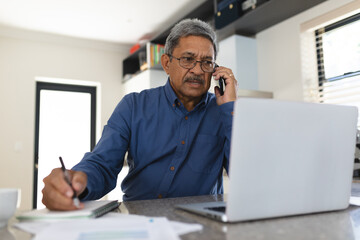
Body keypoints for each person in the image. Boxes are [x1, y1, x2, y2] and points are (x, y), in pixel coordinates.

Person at [42, 18, 238, 210]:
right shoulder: (133, 105)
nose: (197, 70)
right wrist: (79, 181)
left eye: (207, 62)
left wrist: (231, 111)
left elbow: (243, 176)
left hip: (202, 223)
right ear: (166, 63)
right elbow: (103, 163)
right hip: (139, 220)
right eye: (188, 59)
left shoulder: (224, 112)